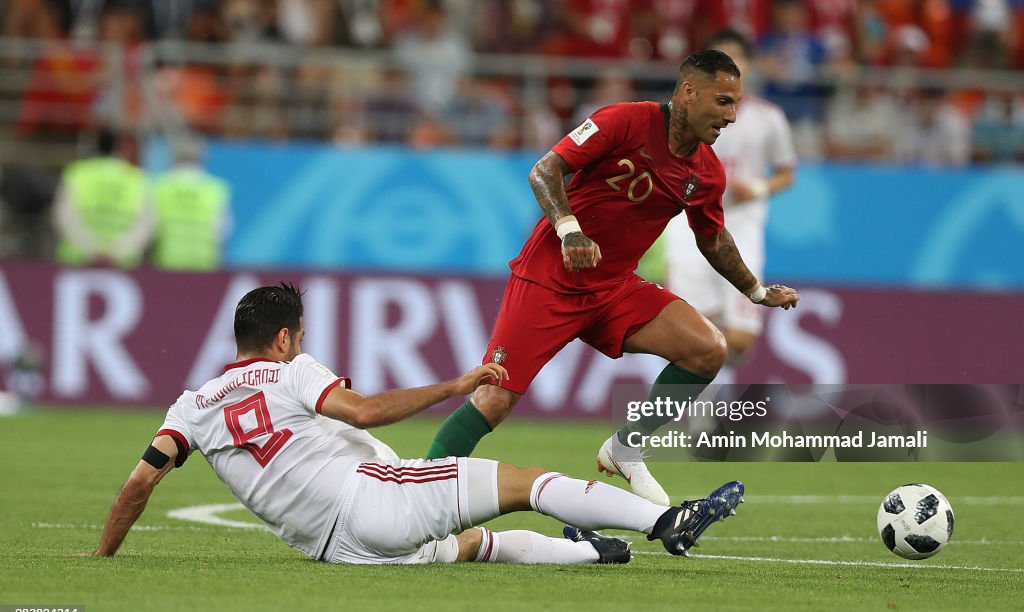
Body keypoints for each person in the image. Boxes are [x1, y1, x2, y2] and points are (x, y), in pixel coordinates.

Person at [80, 283, 745, 565]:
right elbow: (363, 411)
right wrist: (455, 386)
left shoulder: (191, 405)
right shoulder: (291, 371)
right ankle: (663, 522)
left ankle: (590, 550)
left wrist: (101, 558)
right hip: (368, 497)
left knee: (474, 546)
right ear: (283, 338)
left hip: (334, 550)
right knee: (523, 481)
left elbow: (138, 485)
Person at [424, 49, 799, 506]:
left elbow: (714, 241)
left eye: (736, 104)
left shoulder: (706, 172)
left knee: (708, 349)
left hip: (614, 289)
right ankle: (418, 496)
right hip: (549, 280)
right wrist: (570, 231)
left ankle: (625, 447)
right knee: (494, 401)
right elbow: (544, 171)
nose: (732, 116)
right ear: (688, 92)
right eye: (722, 102)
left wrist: (758, 292)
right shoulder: (625, 120)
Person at [664, 29, 797, 385]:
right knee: (696, 332)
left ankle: (709, 394)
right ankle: (703, 423)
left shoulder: (768, 117)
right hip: (688, 224)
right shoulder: (687, 112)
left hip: (742, 226)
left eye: (736, 61)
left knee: (739, 339)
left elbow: (787, 173)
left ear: (749, 66)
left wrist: (756, 187)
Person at [53, 128, 151, 268]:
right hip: (124, 265)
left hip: (77, 261)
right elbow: (144, 224)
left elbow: (64, 217)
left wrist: (90, 250)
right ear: (118, 146)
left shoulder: (77, 173)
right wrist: (118, 252)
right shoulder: (135, 177)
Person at [151, 137, 231, 271]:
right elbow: (222, 229)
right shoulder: (215, 187)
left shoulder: (160, 184)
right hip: (204, 260)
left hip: (167, 258)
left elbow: (152, 224)